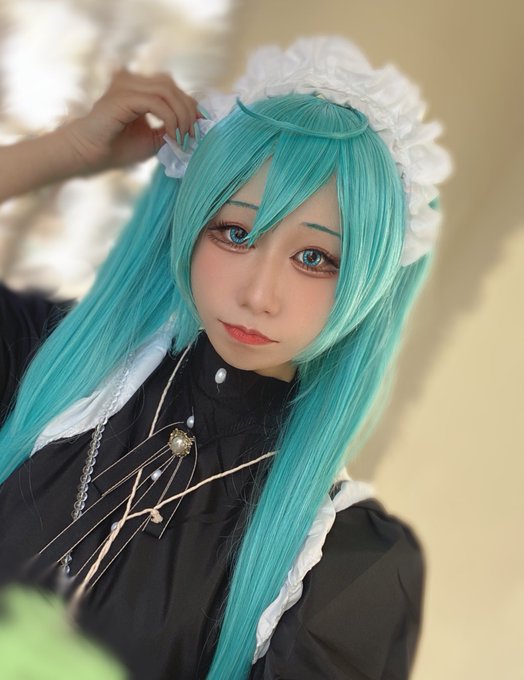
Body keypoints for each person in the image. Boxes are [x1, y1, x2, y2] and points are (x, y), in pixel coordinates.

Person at [0, 36, 452, 679]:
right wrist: (67, 151)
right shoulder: (49, 365)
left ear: (369, 279)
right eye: (236, 232)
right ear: (193, 224)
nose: (258, 295)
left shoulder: (342, 564)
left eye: (315, 258)